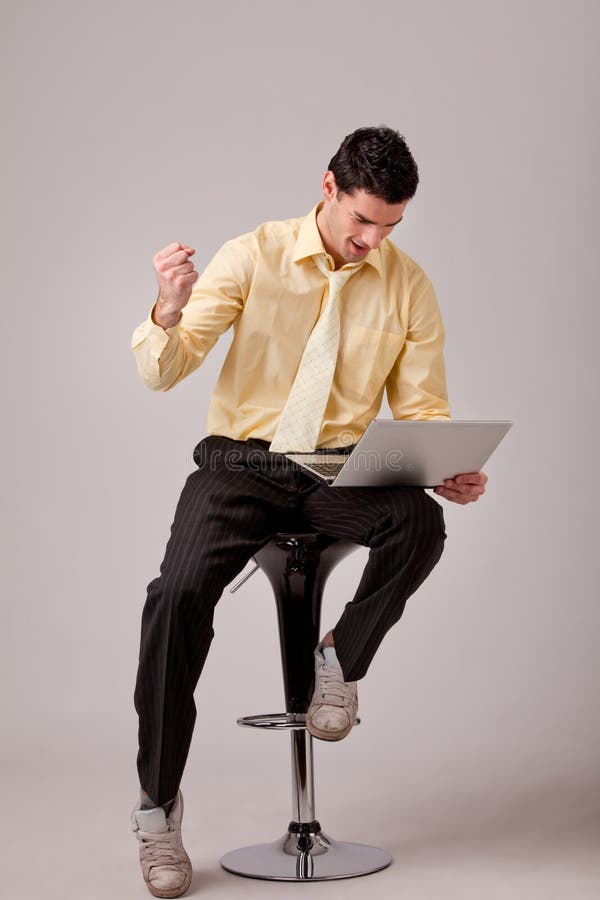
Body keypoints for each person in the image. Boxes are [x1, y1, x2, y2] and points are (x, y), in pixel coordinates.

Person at [129, 125, 487, 898]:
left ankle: (338, 664)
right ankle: (157, 808)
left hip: (339, 470)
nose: (372, 240)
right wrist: (167, 309)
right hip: (243, 461)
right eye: (363, 220)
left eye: (389, 226)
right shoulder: (252, 254)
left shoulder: (407, 284)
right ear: (328, 188)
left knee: (421, 523)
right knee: (176, 597)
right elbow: (170, 369)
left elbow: (422, 408)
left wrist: (443, 466)